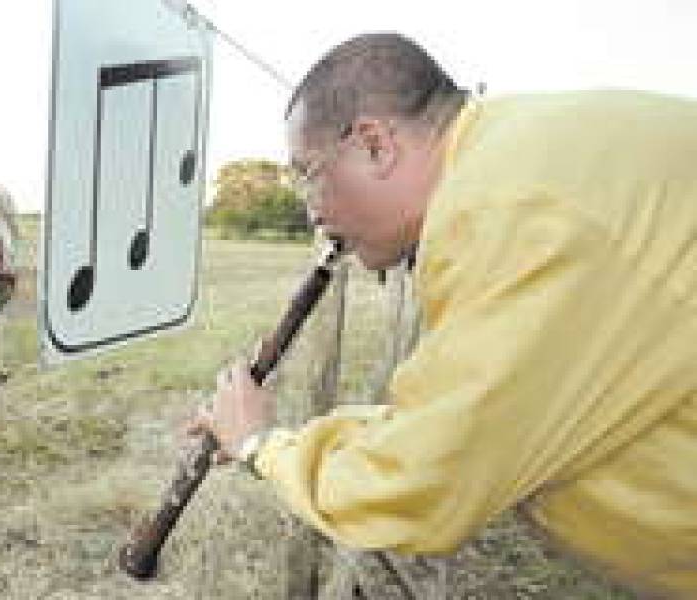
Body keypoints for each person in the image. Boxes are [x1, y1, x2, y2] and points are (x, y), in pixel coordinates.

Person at [189, 33, 697, 598]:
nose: (313, 215)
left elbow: (426, 480)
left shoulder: (508, 209)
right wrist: (290, 438)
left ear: (375, 145)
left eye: (308, 175)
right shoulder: (521, 158)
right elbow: (465, 412)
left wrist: (264, 447)